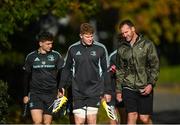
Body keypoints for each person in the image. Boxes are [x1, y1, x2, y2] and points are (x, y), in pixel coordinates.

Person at [58, 23, 112, 124]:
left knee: (91, 120)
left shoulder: (100, 48)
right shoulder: (73, 49)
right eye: (87, 36)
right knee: (79, 122)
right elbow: (66, 69)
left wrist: (107, 90)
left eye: (91, 36)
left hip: (94, 90)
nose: (90, 39)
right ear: (81, 36)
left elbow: (105, 70)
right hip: (78, 91)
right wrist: (61, 86)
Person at [116, 19, 160, 124]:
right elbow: (120, 70)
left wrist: (150, 84)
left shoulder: (147, 44)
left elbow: (155, 66)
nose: (125, 35)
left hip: (144, 85)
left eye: (126, 32)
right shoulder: (121, 49)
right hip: (128, 86)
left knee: (144, 119)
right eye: (122, 33)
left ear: (133, 29)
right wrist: (118, 91)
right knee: (132, 115)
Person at [22, 31, 64, 124]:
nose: (50, 46)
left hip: (51, 95)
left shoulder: (56, 56)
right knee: (37, 122)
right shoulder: (31, 57)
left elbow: (61, 74)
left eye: (51, 44)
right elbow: (26, 77)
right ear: (40, 43)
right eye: (48, 44)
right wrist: (25, 94)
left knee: (47, 123)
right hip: (35, 94)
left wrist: (60, 89)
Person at [108, 50, 127, 124]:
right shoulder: (113, 55)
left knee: (124, 117)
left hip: (124, 89)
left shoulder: (131, 52)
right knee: (112, 116)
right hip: (111, 89)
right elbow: (105, 73)